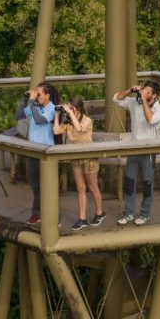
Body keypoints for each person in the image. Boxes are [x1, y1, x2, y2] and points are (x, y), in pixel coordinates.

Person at [113, 81, 160, 226]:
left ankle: (144, 214)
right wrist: (129, 90)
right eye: (143, 90)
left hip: (149, 152)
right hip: (133, 150)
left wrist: (143, 101)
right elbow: (116, 98)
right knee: (129, 183)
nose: (143, 93)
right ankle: (128, 213)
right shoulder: (134, 103)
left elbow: (150, 120)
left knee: (147, 185)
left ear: (154, 95)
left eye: (148, 92)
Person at [53, 98, 106, 230]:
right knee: (81, 189)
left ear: (78, 108)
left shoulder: (86, 120)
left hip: (89, 158)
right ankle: (82, 219)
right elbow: (56, 131)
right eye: (68, 107)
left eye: (72, 107)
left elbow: (79, 129)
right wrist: (57, 114)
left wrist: (70, 113)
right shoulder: (68, 122)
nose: (69, 110)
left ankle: (100, 212)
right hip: (76, 157)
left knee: (92, 187)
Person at [14, 82, 56, 224]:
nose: (36, 96)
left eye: (39, 94)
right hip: (33, 151)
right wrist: (25, 100)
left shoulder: (52, 109)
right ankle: (37, 213)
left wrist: (32, 102)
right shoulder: (34, 106)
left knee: (48, 186)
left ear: (47, 95)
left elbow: (39, 120)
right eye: (35, 93)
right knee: (35, 185)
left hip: (47, 153)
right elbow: (18, 115)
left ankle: (53, 215)